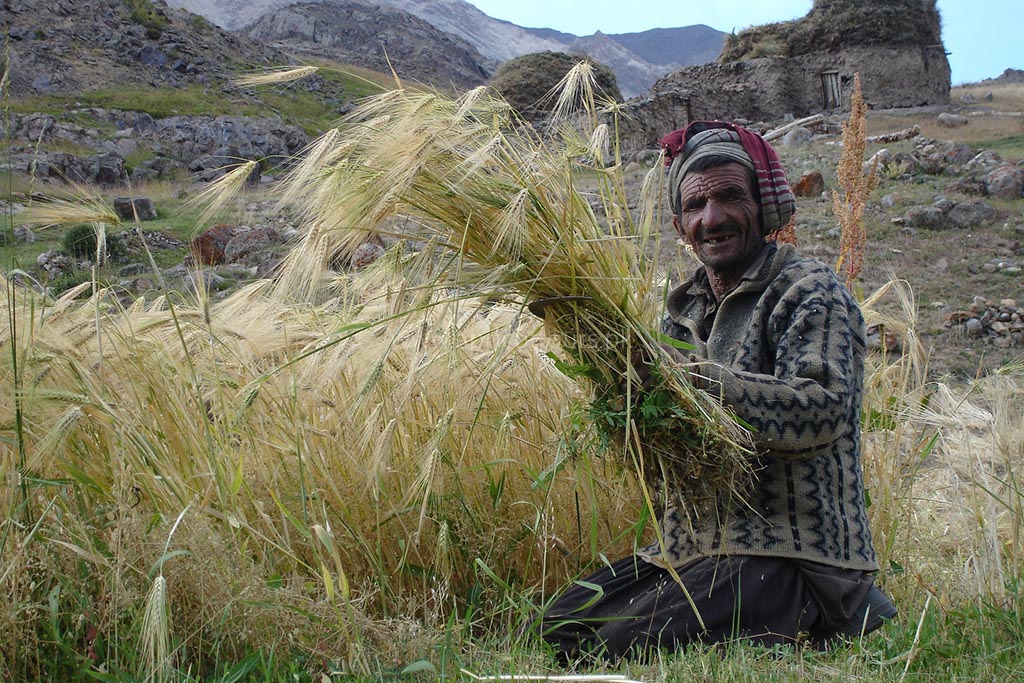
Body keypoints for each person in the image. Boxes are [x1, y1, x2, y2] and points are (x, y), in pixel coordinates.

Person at [535, 121, 896, 661]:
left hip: (793, 558)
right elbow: (670, 441)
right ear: (679, 224)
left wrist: (694, 379)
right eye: (696, 205)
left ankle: (834, 617)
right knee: (556, 631)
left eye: (730, 197)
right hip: (695, 552)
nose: (713, 218)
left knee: (612, 651)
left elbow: (821, 412)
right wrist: (616, 376)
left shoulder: (810, 291)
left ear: (764, 206)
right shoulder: (681, 310)